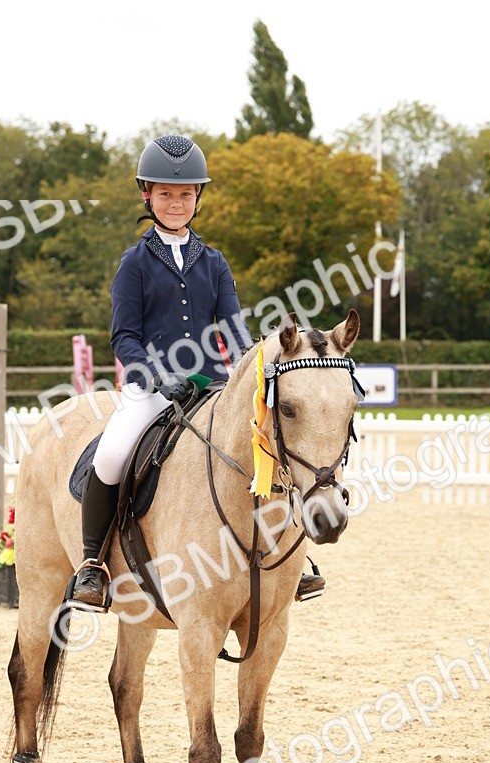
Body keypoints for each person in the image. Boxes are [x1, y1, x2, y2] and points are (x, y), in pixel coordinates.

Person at [72, 135, 324, 608]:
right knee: (110, 456)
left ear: (197, 198)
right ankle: (93, 565)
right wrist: (153, 375)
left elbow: (234, 328)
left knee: (270, 446)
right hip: (152, 389)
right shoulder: (135, 263)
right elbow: (123, 336)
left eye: (185, 193)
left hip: (212, 386)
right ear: (147, 194)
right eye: (166, 193)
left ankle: (293, 560)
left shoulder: (214, 262)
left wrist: (250, 371)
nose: (176, 202)